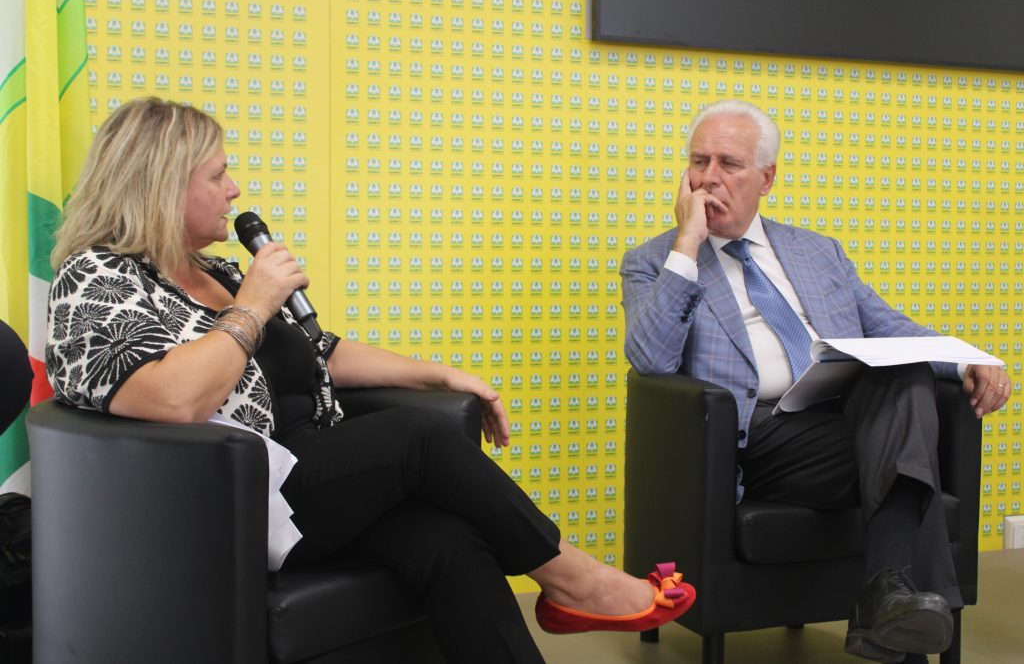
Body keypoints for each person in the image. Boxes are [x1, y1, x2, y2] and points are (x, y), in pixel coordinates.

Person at [44, 97, 694, 664]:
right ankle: (573, 577)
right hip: (224, 499)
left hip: (303, 472)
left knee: (449, 543)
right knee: (418, 440)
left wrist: (442, 374)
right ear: (161, 186)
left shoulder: (214, 270)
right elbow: (173, 398)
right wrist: (254, 306)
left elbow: (319, 350)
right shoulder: (97, 278)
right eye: (217, 175)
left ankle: (559, 598)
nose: (235, 189)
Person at [620, 99, 1010, 664]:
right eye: (698, 161)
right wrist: (687, 244)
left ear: (766, 178)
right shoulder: (654, 260)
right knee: (912, 451)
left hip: (841, 421)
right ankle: (905, 628)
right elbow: (650, 360)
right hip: (755, 436)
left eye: (729, 163)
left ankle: (887, 598)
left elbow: (888, 327)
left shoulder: (817, 252)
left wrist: (967, 361)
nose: (709, 177)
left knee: (904, 381)